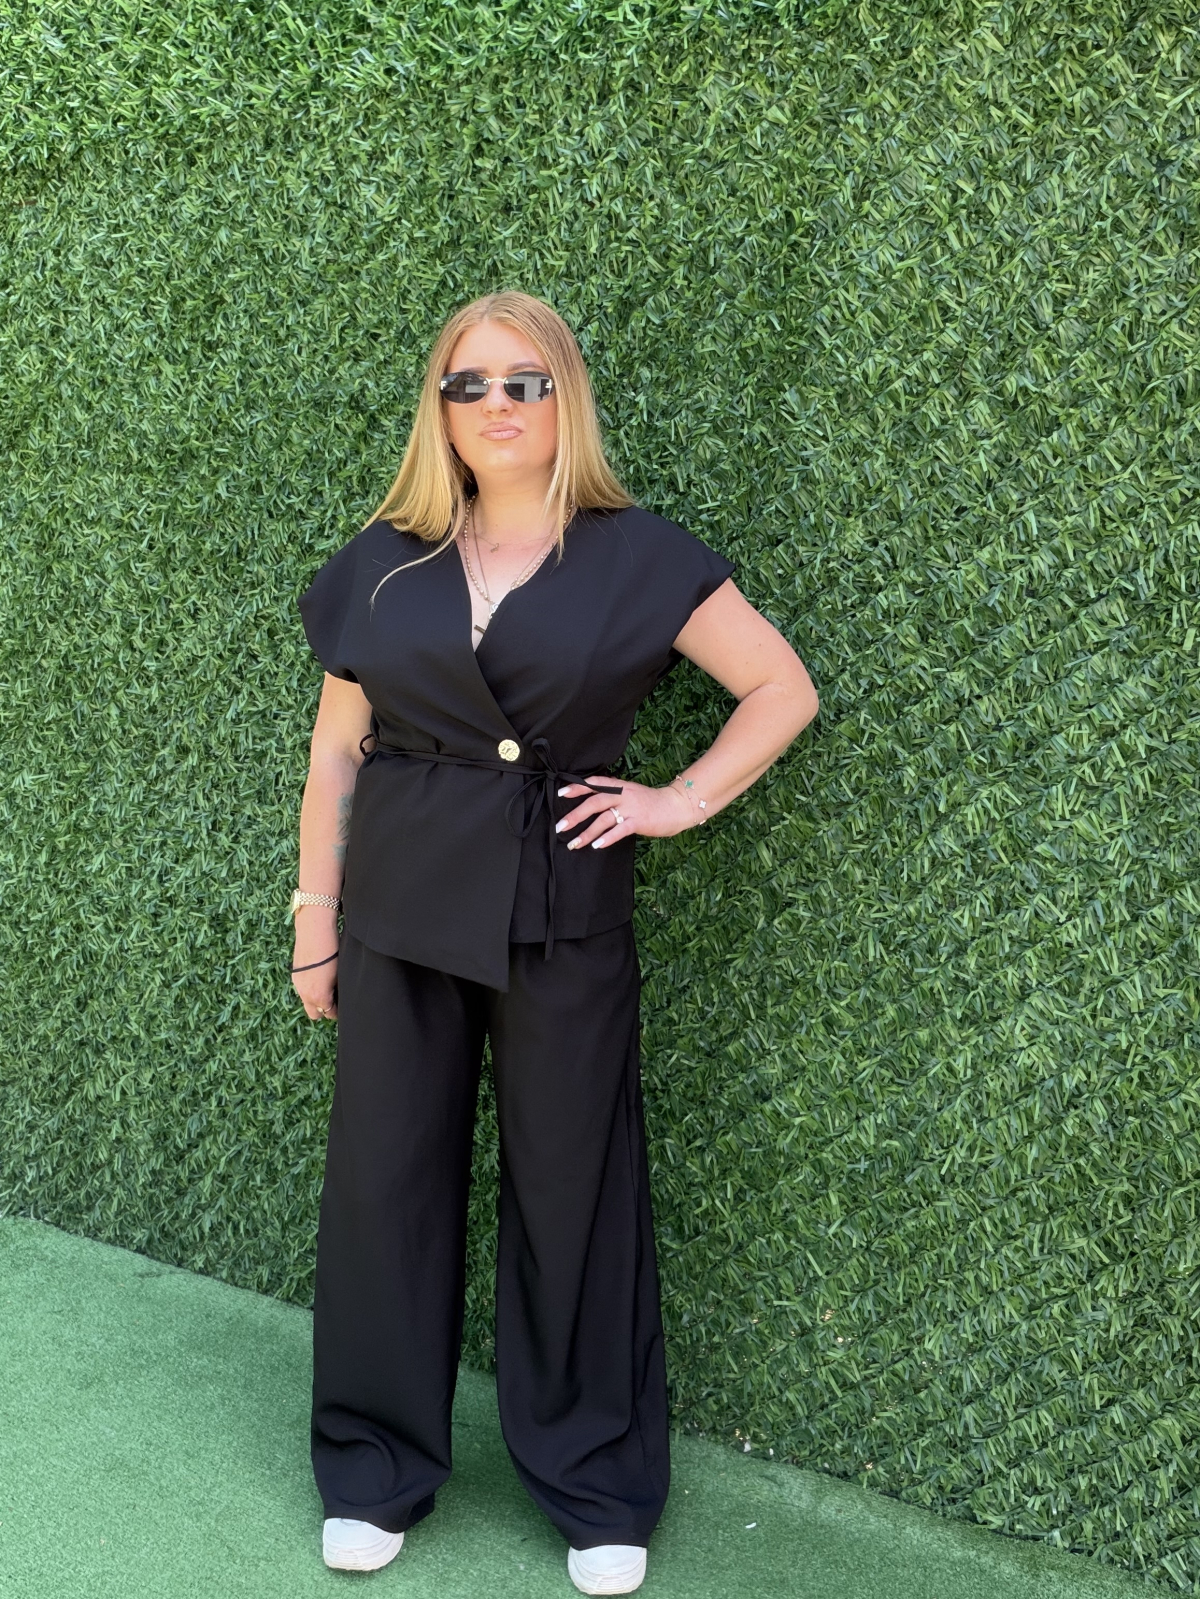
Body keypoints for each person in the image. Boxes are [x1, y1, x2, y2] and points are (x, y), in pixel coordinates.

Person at [291, 289, 818, 1594]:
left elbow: (780, 686)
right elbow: (336, 751)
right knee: (384, 1187)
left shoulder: (640, 556)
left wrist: (679, 799)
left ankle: (597, 1481)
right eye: (469, 384)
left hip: (563, 905)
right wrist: (315, 919)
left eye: (524, 381)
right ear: (440, 409)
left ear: (564, 395)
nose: (497, 406)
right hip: (401, 906)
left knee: (575, 1189)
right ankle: (373, 1467)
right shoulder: (387, 558)